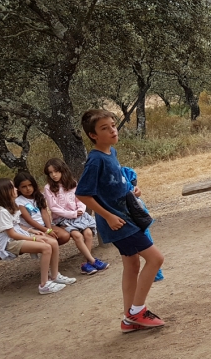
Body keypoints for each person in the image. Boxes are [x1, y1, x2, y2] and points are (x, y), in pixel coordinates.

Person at [75, 109, 166, 332]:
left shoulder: (110, 153)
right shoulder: (95, 160)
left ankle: (129, 319)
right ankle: (137, 312)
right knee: (155, 259)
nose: (112, 130)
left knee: (132, 265)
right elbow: (83, 194)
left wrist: (130, 189)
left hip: (126, 217)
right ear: (92, 135)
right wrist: (108, 216)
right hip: (119, 224)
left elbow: (113, 184)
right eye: (104, 128)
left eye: (113, 125)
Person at [0, 178, 76, 294]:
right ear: (4, 192)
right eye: (12, 187)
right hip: (9, 242)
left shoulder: (11, 207)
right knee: (45, 247)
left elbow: (17, 226)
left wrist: (33, 231)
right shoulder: (1, 212)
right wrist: (34, 238)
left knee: (53, 242)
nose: (16, 189)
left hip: (19, 235)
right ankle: (44, 285)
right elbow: (12, 234)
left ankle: (55, 276)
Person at [43, 158, 108, 275]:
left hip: (78, 216)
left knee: (88, 233)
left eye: (56, 171)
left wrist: (80, 209)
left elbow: (80, 198)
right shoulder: (49, 188)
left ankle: (86, 264)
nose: (54, 175)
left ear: (62, 170)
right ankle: (93, 261)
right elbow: (53, 207)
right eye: (50, 173)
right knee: (77, 235)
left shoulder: (72, 183)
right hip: (62, 219)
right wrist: (71, 214)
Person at [121, 166, 164, 282]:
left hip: (136, 211)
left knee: (146, 240)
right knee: (131, 254)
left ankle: (156, 273)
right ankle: (154, 273)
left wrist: (137, 191)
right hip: (122, 216)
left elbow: (134, 189)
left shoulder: (125, 172)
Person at [13, 171, 70, 246]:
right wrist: (46, 231)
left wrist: (49, 229)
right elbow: (29, 220)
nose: (28, 188)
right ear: (18, 189)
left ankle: (49, 248)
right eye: (24, 187)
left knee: (65, 236)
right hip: (32, 229)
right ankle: (47, 250)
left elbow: (45, 213)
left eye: (30, 185)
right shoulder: (19, 201)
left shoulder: (39, 196)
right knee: (52, 241)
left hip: (44, 226)